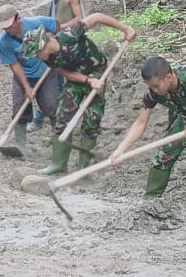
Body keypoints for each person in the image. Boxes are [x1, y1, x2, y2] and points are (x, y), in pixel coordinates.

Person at [108, 56, 186, 224]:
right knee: (164, 155)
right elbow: (140, 123)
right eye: (150, 86)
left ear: (169, 76)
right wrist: (120, 150)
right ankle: (150, 199)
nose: (153, 89)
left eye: (156, 85)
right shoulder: (153, 94)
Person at [22, 14, 136, 175]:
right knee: (63, 117)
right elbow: (67, 73)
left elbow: (97, 17)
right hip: (77, 79)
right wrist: (87, 80)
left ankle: (82, 168)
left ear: (43, 46)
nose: (35, 57)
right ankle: (58, 164)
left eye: (36, 53)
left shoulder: (71, 34)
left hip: (97, 72)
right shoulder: (49, 58)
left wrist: (124, 29)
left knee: (92, 120)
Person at [0, 4, 59, 151]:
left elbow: (57, 25)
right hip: (23, 75)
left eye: (10, 26)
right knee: (19, 108)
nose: (8, 30)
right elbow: (14, 65)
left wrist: (56, 40)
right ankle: (20, 146)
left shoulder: (36, 23)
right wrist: (26, 87)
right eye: (4, 27)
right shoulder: (3, 42)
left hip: (46, 70)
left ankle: (59, 140)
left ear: (18, 18)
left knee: (51, 105)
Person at [29, 0, 84, 133]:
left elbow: (80, 19)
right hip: (56, 43)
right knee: (56, 82)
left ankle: (41, 118)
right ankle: (45, 117)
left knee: (58, 82)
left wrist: (59, 29)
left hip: (69, 45)